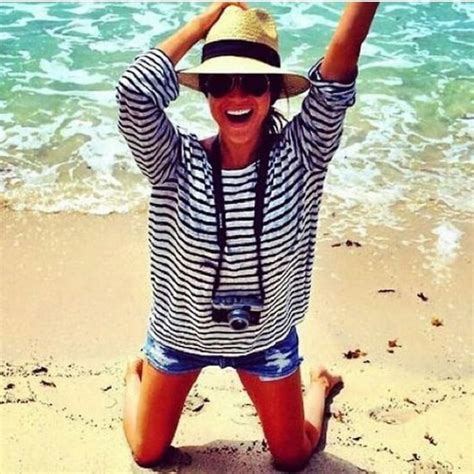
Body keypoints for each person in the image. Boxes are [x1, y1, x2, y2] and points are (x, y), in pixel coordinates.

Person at [116, 2, 378, 471]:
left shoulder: (303, 153)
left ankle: (318, 382)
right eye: (221, 82)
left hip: (266, 339)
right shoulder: (173, 161)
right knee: (146, 452)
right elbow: (134, 93)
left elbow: (340, 68)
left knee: (294, 456)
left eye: (254, 82)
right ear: (207, 93)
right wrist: (203, 23)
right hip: (180, 336)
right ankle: (135, 372)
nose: (237, 96)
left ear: (275, 92)